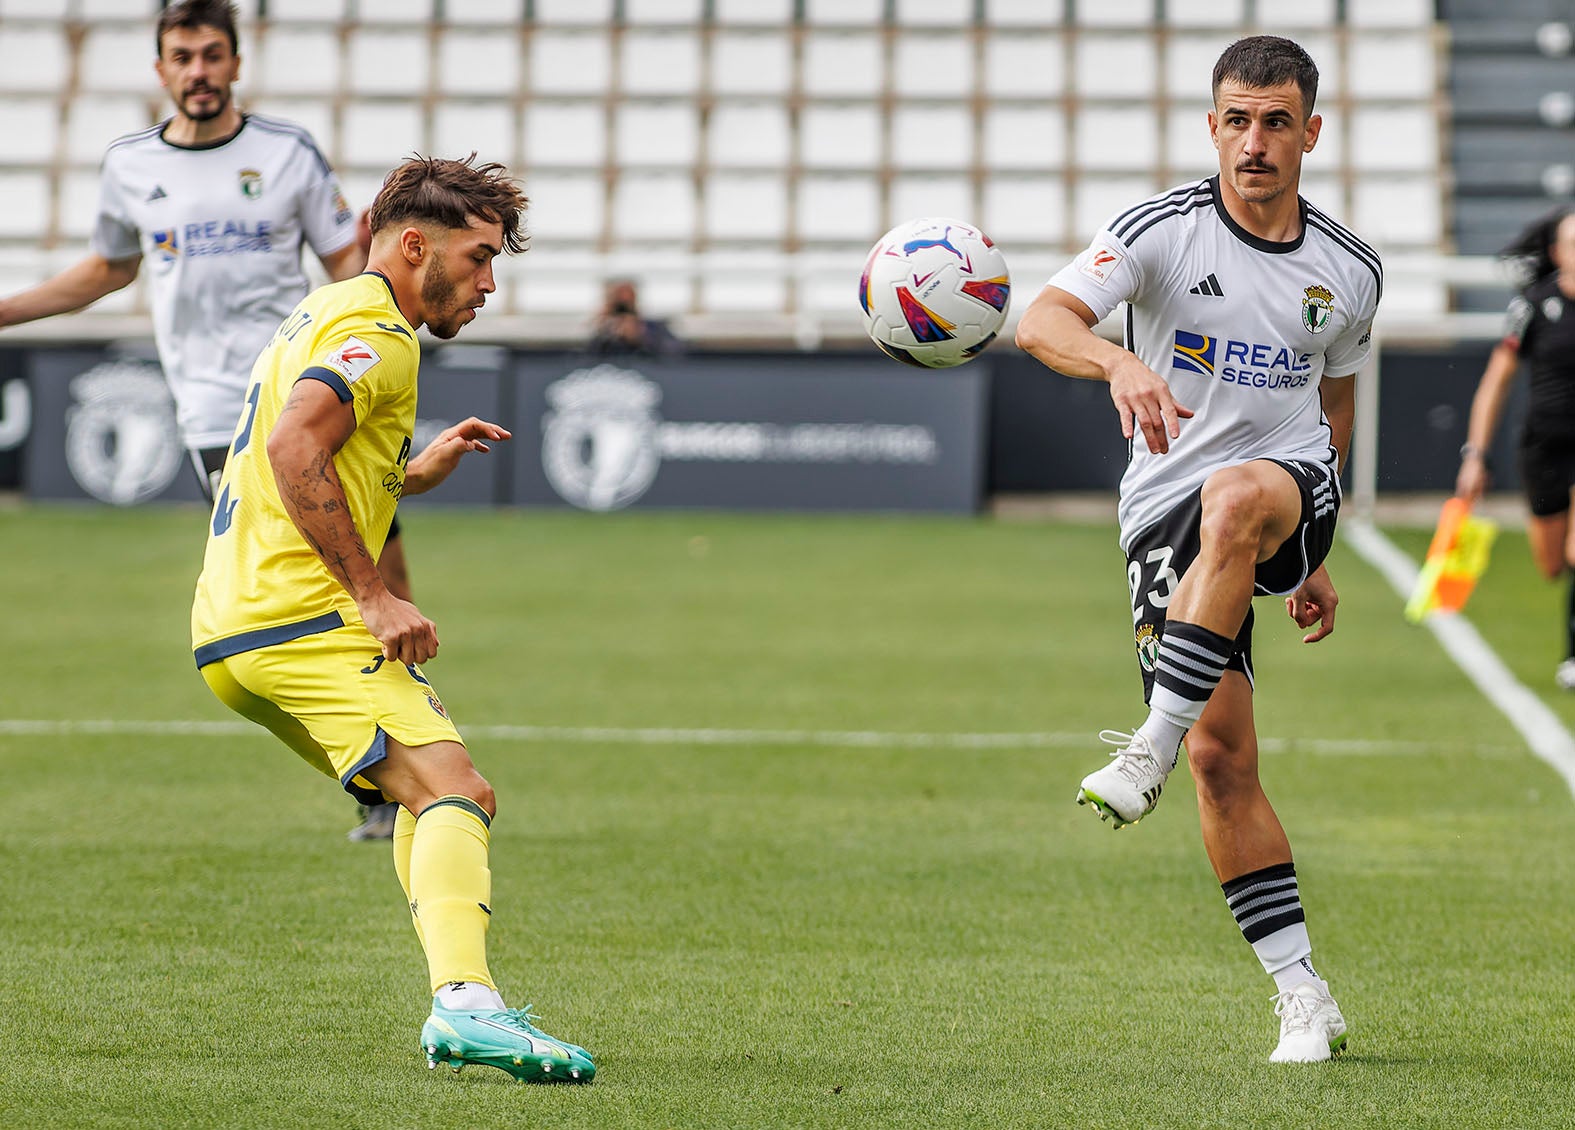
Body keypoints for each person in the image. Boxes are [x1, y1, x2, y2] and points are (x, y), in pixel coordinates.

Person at [190, 153, 595, 1082]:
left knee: (425, 790)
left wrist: (411, 472)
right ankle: (467, 1006)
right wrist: (375, 595)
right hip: (302, 619)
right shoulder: (382, 330)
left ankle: (464, 999)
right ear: (416, 246)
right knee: (460, 789)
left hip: (234, 625)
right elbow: (294, 445)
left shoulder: (320, 314)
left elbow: (287, 451)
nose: (491, 282)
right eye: (481, 257)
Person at [1016, 35, 1380, 1064]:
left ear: (1312, 131)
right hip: (1161, 504)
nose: (1253, 142)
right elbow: (1041, 320)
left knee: (1235, 498)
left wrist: (1312, 536)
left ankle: (1144, 745)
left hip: (1280, 482)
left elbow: (1339, 396)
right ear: (1212, 124)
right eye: (1235, 118)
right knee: (1224, 761)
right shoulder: (1161, 232)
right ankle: (1303, 991)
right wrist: (1116, 362)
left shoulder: (1349, 270)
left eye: (1275, 121)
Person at [0, 0, 398, 840]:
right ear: (160, 70)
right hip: (219, 410)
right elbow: (106, 270)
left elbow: (347, 268)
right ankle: (378, 768)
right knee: (308, 569)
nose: (199, 71)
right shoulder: (129, 165)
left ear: (236, 62)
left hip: (309, 388)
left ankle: (394, 735)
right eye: (182, 56)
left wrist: (370, 357)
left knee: (375, 558)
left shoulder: (286, 154)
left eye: (212, 54)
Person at [1456, 206, 1575, 689]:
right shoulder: (1533, 304)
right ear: (1556, 253)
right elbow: (1495, 381)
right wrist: (1476, 456)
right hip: (1544, 446)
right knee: (1553, 564)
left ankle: (1572, 657)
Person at [587, 277, 683, 356]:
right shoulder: (603, 329)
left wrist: (641, 336)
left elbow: (675, 352)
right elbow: (590, 357)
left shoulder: (654, 327)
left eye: (628, 297)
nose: (624, 300)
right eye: (619, 298)